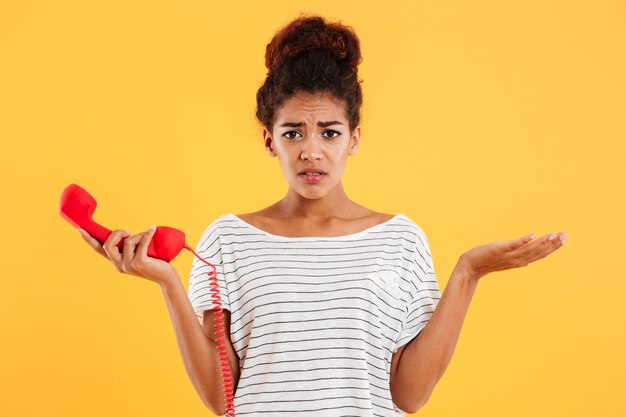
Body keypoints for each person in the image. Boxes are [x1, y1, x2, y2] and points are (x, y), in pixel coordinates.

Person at [77, 13, 568, 417]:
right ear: (270, 140)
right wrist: (167, 282)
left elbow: (409, 396)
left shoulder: (400, 240)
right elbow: (220, 397)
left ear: (354, 138)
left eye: (329, 132)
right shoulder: (226, 239)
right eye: (294, 133)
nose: (312, 151)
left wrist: (469, 272)